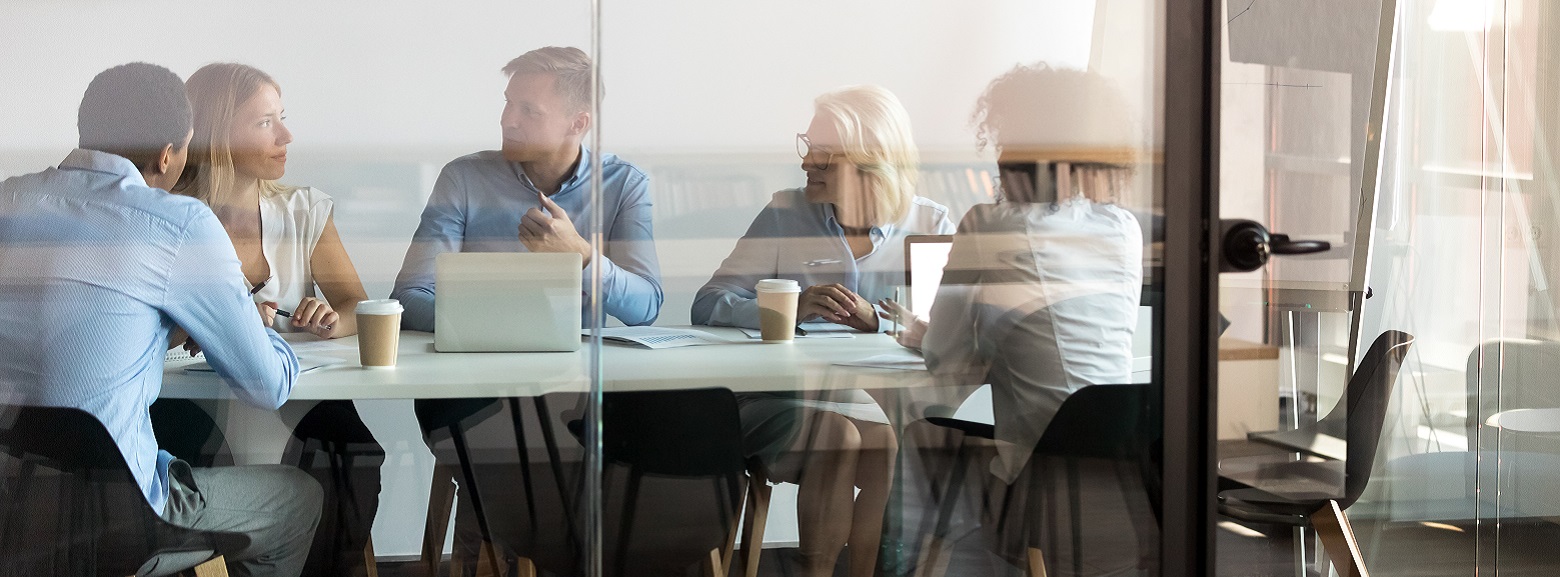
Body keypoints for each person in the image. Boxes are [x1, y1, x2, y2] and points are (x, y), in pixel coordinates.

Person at [0, 62, 319, 576]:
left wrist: (162, 327)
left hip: (10, 507)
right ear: (169, 153)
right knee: (297, 498)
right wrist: (258, 330)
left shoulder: (9, 200)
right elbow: (266, 385)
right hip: (110, 516)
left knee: (199, 446)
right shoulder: (178, 224)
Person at [390, 46, 662, 573]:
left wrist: (581, 257)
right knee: (532, 450)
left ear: (578, 123)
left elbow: (646, 304)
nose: (506, 119)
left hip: (578, 392)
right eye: (508, 103)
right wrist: (504, 317)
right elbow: (410, 296)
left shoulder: (625, 185)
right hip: (473, 391)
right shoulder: (463, 178)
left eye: (527, 110)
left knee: (645, 440)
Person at [885, 63, 1146, 571]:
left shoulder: (989, 223)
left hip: (1040, 482)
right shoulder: (1122, 228)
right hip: (1122, 473)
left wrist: (925, 335)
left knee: (921, 435)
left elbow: (944, 356)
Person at [692, 85, 955, 577]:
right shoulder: (785, 212)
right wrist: (786, 311)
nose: (806, 163)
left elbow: (945, 331)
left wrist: (879, 320)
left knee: (884, 443)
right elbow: (708, 302)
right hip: (780, 397)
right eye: (807, 147)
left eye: (823, 157)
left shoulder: (929, 222)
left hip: (875, 400)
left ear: (870, 163)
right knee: (841, 437)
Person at [154, 62, 380, 577]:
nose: (286, 135)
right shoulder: (161, 216)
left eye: (283, 118)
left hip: (292, 393)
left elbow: (357, 308)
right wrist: (214, 326)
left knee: (356, 458)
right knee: (192, 469)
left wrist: (327, 319)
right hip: (194, 401)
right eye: (265, 122)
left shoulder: (304, 209)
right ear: (216, 134)